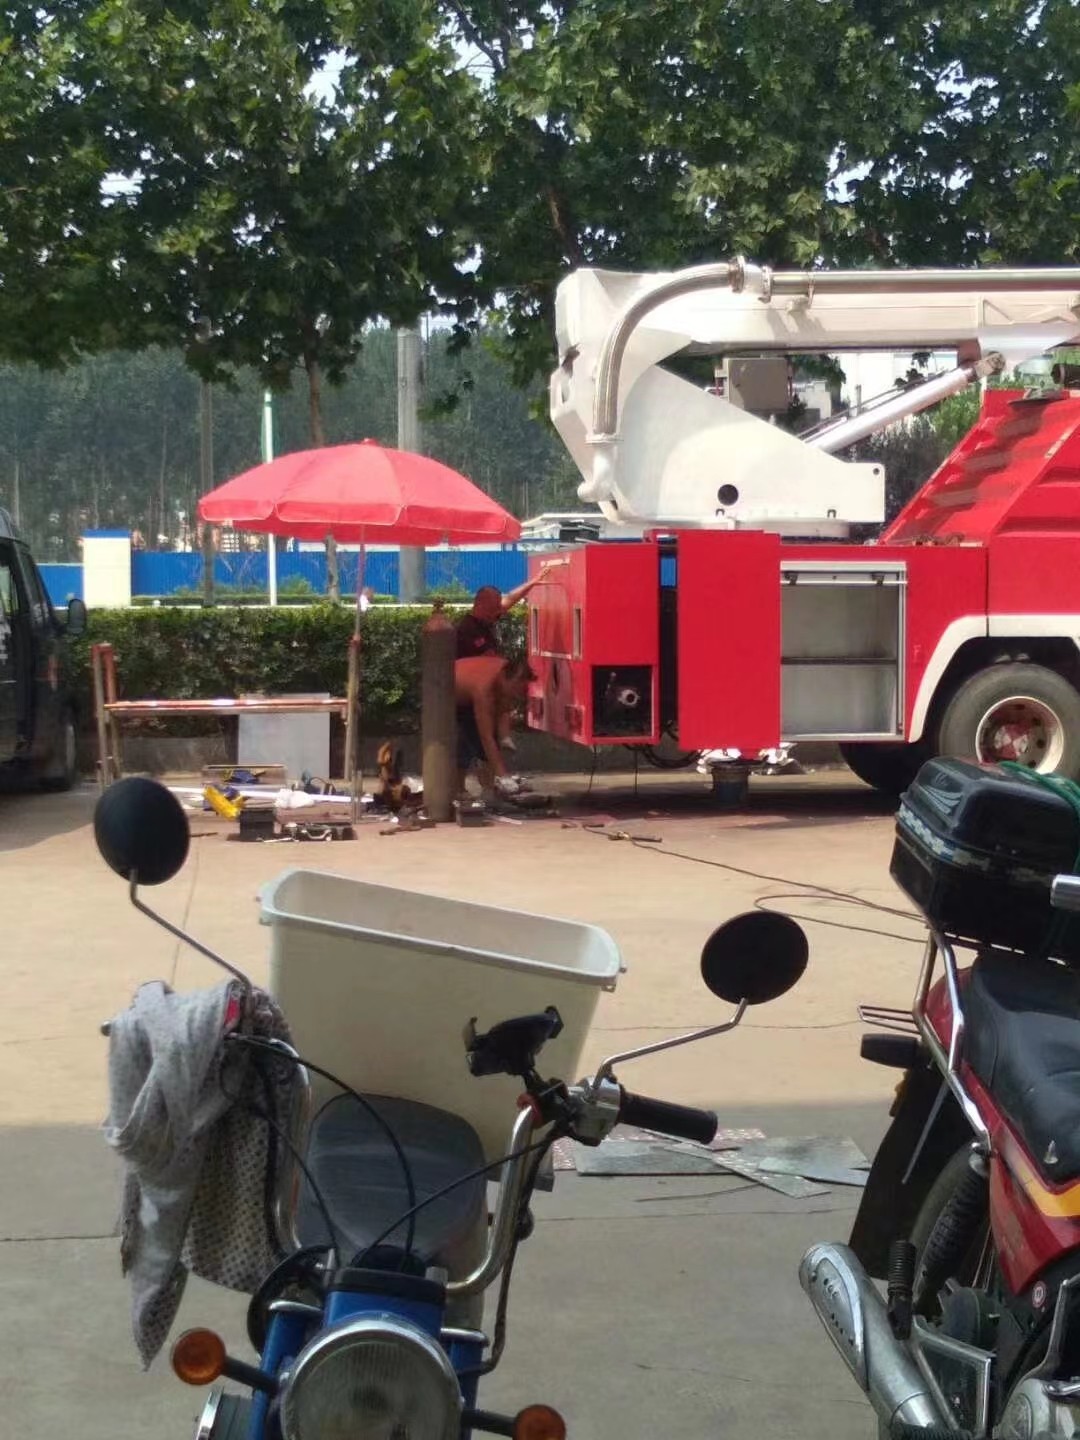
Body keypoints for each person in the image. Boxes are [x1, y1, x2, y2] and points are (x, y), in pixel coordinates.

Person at [455, 655, 536, 796]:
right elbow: (486, 737)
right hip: (448, 693)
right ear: (504, 678)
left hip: (466, 688)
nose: (516, 694)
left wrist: (505, 736)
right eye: (515, 688)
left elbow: (504, 706)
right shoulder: (483, 689)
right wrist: (503, 775)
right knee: (467, 741)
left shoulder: (506, 672)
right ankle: (458, 789)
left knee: (488, 743)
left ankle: (489, 787)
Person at [454, 562, 560, 660]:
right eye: (493, 608)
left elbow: (510, 598)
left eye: (498, 607)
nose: (497, 612)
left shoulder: (487, 617)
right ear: (480, 605)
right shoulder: (468, 629)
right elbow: (489, 659)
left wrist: (533, 582)